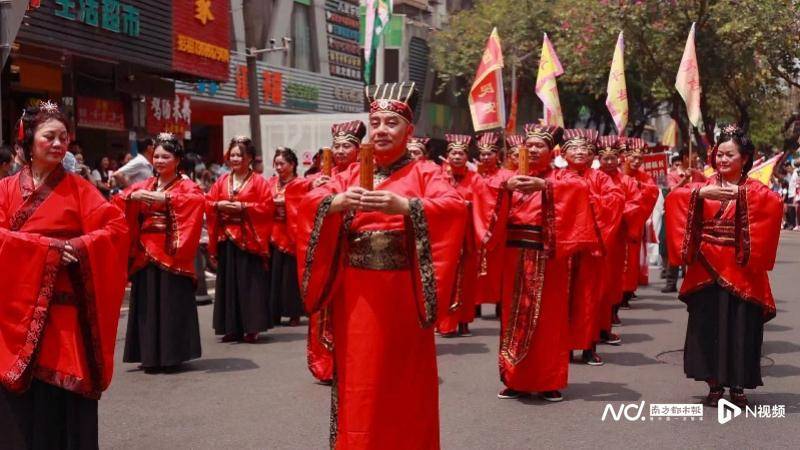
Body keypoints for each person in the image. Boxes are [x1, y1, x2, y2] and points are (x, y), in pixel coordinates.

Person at [295, 82, 466, 449]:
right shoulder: (350, 174)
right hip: (357, 295)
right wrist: (336, 203)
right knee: (360, 375)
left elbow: (454, 208)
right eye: (376, 123)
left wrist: (407, 207)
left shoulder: (426, 173)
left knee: (403, 378)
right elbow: (308, 203)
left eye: (391, 122)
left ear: (409, 131)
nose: (382, 130)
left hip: (403, 294)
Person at [0, 101, 129, 448]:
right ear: (28, 140)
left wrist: (82, 246)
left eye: (64, 137)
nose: (58, 144)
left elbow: (115, 230)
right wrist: (48, 251)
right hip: (17, 316)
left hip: (66, 317)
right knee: (20, 410)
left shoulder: (80, 189)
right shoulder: (5, 190)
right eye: (49, 137)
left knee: (65, 406)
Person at [665, 124, 782, 407]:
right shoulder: (702, 186)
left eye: (730, 155)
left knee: (741, 324)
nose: (723, 160)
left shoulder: (754, 189)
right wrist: (699, 196)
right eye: (719, 155)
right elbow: (673, 200)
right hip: (706, 267)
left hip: (742, 267)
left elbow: (773, 205)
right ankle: (714, 383)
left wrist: (742, 198)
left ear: (744, 159)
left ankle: (738, 384)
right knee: (708, 325)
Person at [495, 123, 597, 402]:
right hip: (514, 256)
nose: (533, 149)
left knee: (548, 320)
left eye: (540, 145)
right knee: (513, 318)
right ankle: (515, 379)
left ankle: (550, 380)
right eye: (529, 145)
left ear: (551, 151)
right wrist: (504, 187)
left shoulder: (561, 177)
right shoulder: (510, 176)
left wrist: (545, 186)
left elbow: (578, 190)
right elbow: (485, 191)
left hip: (548, 256)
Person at [118, 133, 205, 373]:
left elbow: (196, 203)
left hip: (171, 249)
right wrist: (131, 196)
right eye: (156, 156)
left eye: (165, 156)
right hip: (145, 249)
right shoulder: (145, 185)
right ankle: (148, 354)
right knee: (147, 303)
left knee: (170, 303)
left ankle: (172, 354)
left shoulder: (187, 185)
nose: (159, 160)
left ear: (177, 159)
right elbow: (119, 200)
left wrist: (164, 198)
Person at [300, 120, 366, 384]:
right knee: (324, 308)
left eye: (346, 146)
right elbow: (301, 203)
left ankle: (351, 361)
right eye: (336, 146)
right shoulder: (321, 177)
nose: (339, 151)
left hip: (353, 253)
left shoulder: (365, 172)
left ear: (359, 149)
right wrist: (313, 190)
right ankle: (324, 363)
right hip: (327, 253)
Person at [560, 129, 624, 366]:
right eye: (573, 148)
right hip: (564, 250)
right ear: (563, 153)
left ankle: (588, 346)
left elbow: (615, 200)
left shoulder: (600, 179)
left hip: (591, 249)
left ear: (591, 155)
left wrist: (586, 199)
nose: (579, 152)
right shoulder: (556, 178)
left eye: (584, 149)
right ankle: (563, 347)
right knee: (563, 300)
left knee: (589, 298)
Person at [206, 137, 275, 343]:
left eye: (240, 155)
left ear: (250, 158)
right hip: (226, 237)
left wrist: (244, 208)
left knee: (249, 284)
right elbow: (208, 201)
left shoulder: (259, 182)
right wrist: (218, 206)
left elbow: (267, 207)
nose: (235, 158)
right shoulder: (222, 181)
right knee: (228, 284)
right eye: (233, 155)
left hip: (249, 239)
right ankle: (231, 327)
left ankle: (252, 327)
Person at [595, 136, 651, 342]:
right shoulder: (592, 177)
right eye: (604, 158)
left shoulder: (626, 181)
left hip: (616, 239)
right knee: (592, 287)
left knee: (611, 284)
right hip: (594, 240)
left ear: (619, 158)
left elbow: (635, 205)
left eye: (612, 158)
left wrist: (615, 211)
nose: (609, 162)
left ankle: (607, 321)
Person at [435, 133, 488, 338]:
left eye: (461, 153)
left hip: (466, 235)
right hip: (445, 234)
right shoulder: (438, 176)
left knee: (466, 278)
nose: (457, 156)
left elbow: (485, 203)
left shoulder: (475, 178)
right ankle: (444, 322)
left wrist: (470, 206)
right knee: (444, 276)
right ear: (447, 155)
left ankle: (464, 321)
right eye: (453, 153)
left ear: (467, 157)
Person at [474, 131, 515, 312]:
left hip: (500, 229)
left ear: (497, 154)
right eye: (482, 154)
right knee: (476, 269)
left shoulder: (507, 175)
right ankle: (474, 306)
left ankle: (500, 304)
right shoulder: (475, 176)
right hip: (476, 228)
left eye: (489, 153)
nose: (485, 157)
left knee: (499, 268)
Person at [268, 148, 305, 327]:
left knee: (290, 277)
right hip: (274, 232)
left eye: (282, 164)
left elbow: (305, 206)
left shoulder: (301, 184)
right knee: (274, 275)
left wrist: (286, 203)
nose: (279, 167)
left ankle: (294, 313)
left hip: (293, 233)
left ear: (292, 165)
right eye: (276, 164)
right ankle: (273, 312)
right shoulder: (271, 182)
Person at [620, 138, 660, 306]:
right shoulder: (616, 174)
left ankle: (626, 291)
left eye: (640, 159)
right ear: (624, 157)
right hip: (615, 224)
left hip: (633, 225)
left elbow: (653, 191)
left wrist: (639, 186)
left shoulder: (644, 177)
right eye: (633, 158)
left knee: (632, 260)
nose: (636, 162)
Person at [663, 148, 707, 292]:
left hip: (694, 216)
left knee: (694, 249)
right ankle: (671, 282)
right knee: (675, 248)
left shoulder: (699, 175)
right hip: (677, 216)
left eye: (696, 158)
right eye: (693, 157)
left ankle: (692, 282)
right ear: (684, 158)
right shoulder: (672, 175)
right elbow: (671, 191)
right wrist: (684, 179)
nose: (696, 160)